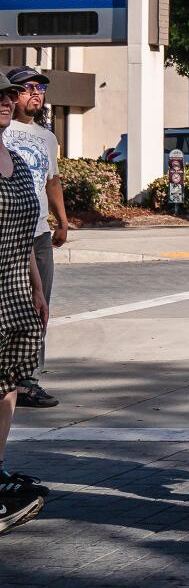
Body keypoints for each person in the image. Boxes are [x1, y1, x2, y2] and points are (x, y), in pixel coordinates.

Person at [0, 80, 50, 535]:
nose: (3, 102)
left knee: (8, 384)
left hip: (15, 289)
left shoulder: (14, 162)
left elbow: (26, 233)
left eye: (4, 97)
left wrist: (36, 288)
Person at [3, 68, 65, 409]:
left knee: (39, 306)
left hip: (39, 232)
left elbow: (52, 180)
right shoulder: (4, 127)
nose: (35, 93)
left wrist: (63, 220)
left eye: (39, 87)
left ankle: (28, 380)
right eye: (28, 88)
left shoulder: (47, 137)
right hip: (10, 232)